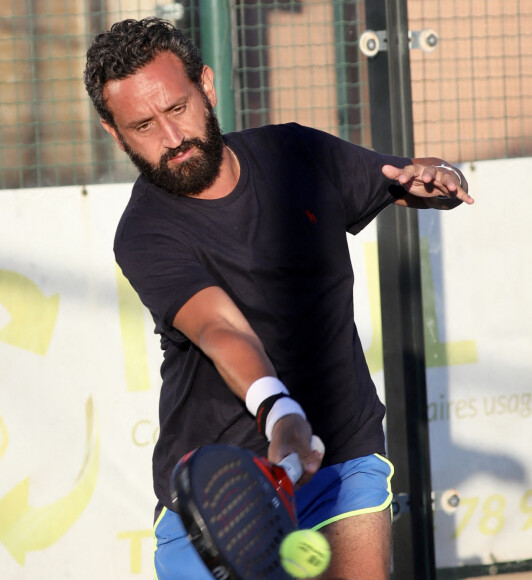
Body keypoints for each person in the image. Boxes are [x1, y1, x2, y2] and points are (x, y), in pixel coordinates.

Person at [84, 17, 473, 579]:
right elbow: (223, 329)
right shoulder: (145, 232)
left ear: (207, 87)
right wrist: (281, 412)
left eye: (177, 109)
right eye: (143, 125)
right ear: (114, 133)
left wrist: (440, 179)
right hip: (215, 490)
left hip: (342, 456)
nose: (171, 138)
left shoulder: (295, 154)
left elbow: (405, 181)